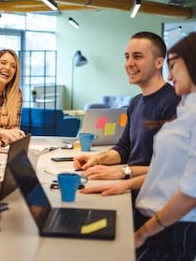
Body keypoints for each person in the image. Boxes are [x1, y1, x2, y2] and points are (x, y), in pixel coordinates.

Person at [82, 32, 196, 260]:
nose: (171, 76)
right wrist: (122, 181)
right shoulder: (177, 105)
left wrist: (143, 232)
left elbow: (188, 187)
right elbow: (161, 165)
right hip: (151, 209)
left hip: (172, 221)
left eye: (174, 67)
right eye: (126, 56)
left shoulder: (178, 104)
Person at [73, 32, 180, 180]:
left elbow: (172, 167)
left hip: (153, 194)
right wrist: (97, 159)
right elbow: (124, 149)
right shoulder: (136, 102)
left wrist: (122, 171)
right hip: (130, 184)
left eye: (137, 56)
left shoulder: (174, 102)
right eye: (127, 56)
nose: (129, 63)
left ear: (159, 63)